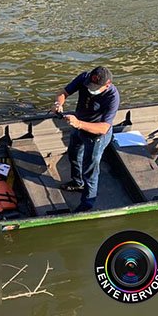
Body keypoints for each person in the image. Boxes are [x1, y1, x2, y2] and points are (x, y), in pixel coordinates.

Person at [51, 66, 120, 212]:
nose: (91, 89)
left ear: (107, 85)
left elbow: (104, 128)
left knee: (90, 170)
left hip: (96, 136)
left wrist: (79, 123)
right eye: (90, 84)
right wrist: (58, 104)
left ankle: (87, 203)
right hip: (78, 127)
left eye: (95, 87)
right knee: (74, 154)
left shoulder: (113, 97)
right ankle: (77, 182)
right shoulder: (84, 78)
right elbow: (63, 93)